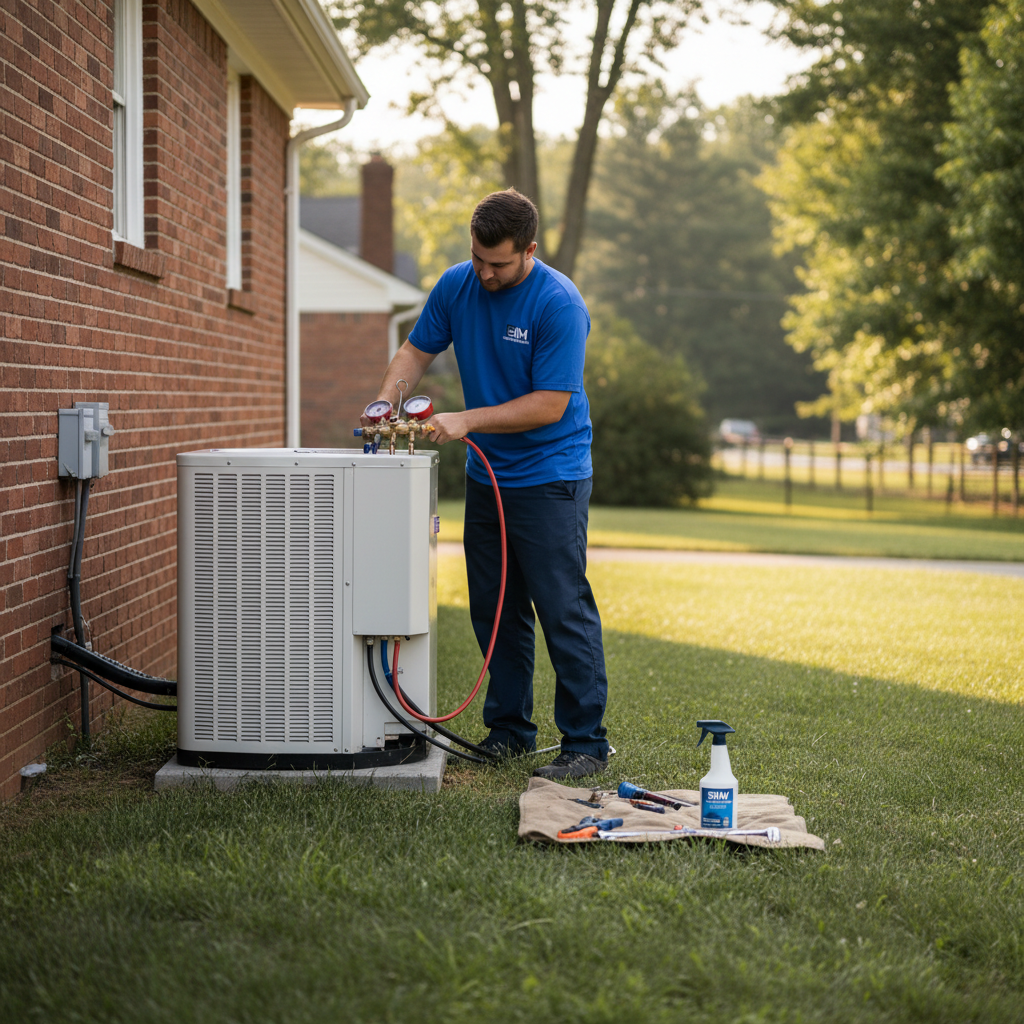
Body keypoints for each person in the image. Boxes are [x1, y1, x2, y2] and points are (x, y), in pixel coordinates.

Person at [362, 188, 609, 780]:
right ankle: (509, 732)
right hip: (487, 476)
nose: (485, 273)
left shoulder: (558, 303)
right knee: (495, 609)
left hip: (551, 476)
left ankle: (584, 743)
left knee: (560, 608)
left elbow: (551, 404)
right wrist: (382, 404)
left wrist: (466, 419)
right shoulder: (457, 284)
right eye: (477, 257)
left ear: (528, 250)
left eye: (497, 263)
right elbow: (414, 352)